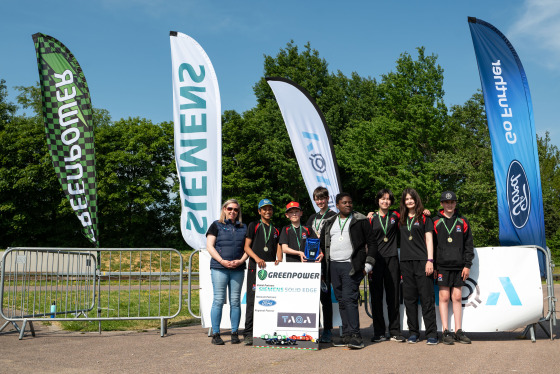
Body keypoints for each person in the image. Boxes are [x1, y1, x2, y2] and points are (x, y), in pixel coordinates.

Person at [320, 192, 378, 349]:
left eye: (350, 202)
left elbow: (372, 244)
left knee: (349, 299)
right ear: (337, 205)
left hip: (351, 266)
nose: (348, 205)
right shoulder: (329, 222)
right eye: (344, 202)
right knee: (341, 300)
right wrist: (324, 271)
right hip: (333, 266)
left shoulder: (360, 220)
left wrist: (368, 265)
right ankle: (346, 335)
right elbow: (323, 248)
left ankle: (356, 336)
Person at [433, 191, 474, 345]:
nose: (449, 205)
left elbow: (469, 245)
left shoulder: (462, 221)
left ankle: (458, 330)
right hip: (442, 266)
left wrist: (467, 265)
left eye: (452, 202)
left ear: (455, 204)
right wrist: (435, 265)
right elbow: (432, 245)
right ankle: (445, 331)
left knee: (457, 297)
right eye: (446, 202)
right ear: (442, 204)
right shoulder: (435, 221)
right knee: (443, 297)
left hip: (459, 266)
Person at [206, 199, 248, 345]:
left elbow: (247, 248)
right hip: (219, 268)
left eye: (236, 210)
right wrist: (222, 261)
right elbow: (210, 246)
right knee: (218, 300)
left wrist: (241, 261)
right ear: (224, 209)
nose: (232, 212)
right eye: (230, 208)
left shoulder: (244, 227)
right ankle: (216, 334)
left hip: (237, 269)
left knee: (235, 302)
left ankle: (234, 332)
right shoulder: (216, 225)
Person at [398, 188, 438, 345]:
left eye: (412, 198)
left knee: (427, 299)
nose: (409, 201)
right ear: (404, 201)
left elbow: (429, 240)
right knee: (409, 299)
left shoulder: (424, 217)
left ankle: (432, 334)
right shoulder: (400, 218)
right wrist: (371, 214)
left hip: (423, 262)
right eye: (407, 199)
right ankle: (413, 332)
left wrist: (430, 260)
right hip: (406, 262)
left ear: (416, 200)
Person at [367, 188, 406, 343]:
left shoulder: (395, 215)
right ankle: (379, 332)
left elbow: (412, 212)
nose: (385, 201)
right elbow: (366, 241)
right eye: (382, 198)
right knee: (376, 298)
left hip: (392, 260)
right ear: (378, 201)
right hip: (375, 261)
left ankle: (395, 331)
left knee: (393, 296)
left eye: (388, 199)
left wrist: (426, 211)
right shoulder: (370, 218)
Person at [242, 199, 282, 346]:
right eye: (264, 209)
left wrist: (279, 260)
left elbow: (278, 246)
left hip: (270, 270)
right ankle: (248, 333)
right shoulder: (254, 225)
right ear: (259, 211)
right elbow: (247, 247)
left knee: (271, 301)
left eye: (270, 209)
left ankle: (268, 330)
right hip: (256, 268)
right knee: (252, 301)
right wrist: (257, 258)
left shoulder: (276, 228)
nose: (267, 211)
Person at [306, 186, 337, 343]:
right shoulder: (312, 218)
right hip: (312, 262)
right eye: (317, 199)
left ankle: (328, 330)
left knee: (325, 297)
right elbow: (306, 237)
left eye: (322, 198)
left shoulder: (334, 216)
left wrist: (325, 252)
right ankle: (312, 328)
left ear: (327, 198)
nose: (319, 201)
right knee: (312, 297)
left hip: (327, 262)